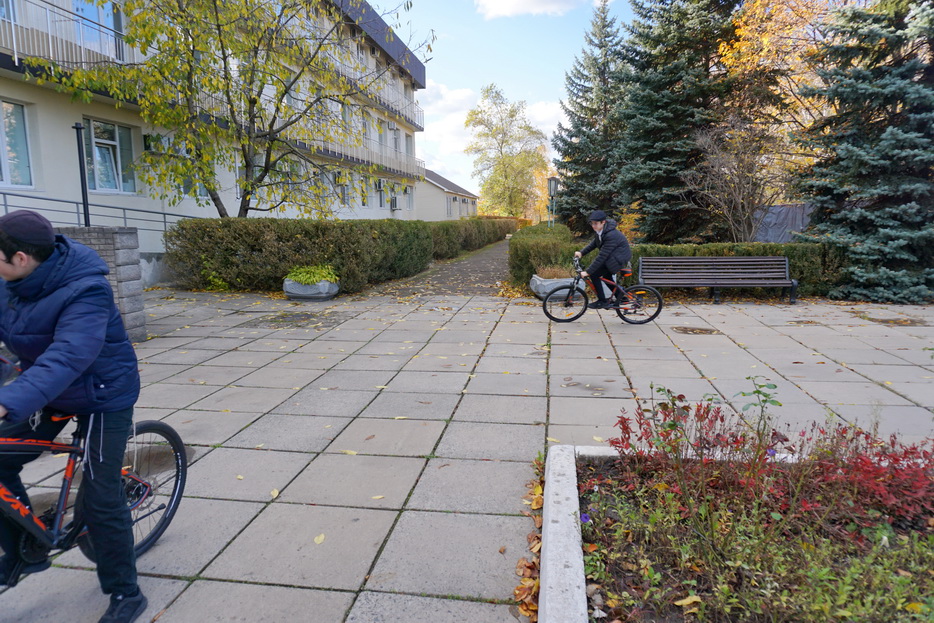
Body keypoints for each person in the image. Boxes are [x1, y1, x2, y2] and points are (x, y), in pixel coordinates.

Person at [0, 210, 146, 623]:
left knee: (100, 496)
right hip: (49, 390)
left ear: (21, 259)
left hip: (103, 395)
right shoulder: (9, 282)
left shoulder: (87, 290)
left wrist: (7, 401)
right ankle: (26, 552)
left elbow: (69, 355)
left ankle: (126, 593)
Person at [574, 209, 632, 310]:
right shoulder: (601, 231)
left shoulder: (611, 235)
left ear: (603, 222)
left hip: (618, 258)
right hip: (613, 256)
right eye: (592, 223)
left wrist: (588, 272)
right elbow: (594, 244)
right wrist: (581, 253)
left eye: (595, 223)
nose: (593, 226)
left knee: (594, 274)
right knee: (606, 277)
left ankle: (602, 301)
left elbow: (602, 256)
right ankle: (622, 297)